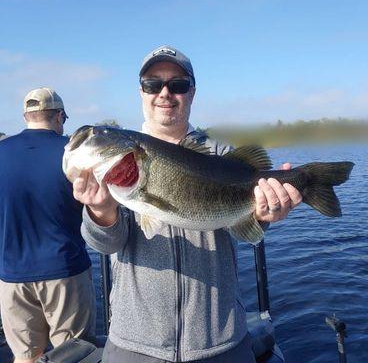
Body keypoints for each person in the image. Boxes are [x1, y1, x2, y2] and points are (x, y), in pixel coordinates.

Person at [73, 46, 303, 363]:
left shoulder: (221, 152)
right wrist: (100, 212)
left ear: (192, 93)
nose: (165, 94)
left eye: (177, 85)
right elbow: (108, 243)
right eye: (153, 84)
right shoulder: (119, 165)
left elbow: (242, 229)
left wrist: (263, 215)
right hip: (135, 344)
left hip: (221, 341)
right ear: (141, 92)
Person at [0, 88, 96, 363]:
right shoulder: (73, 153)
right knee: (74, 354)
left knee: (25, 357)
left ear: (26, 116)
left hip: (11, 276)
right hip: (65, 271)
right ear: (60, 116)